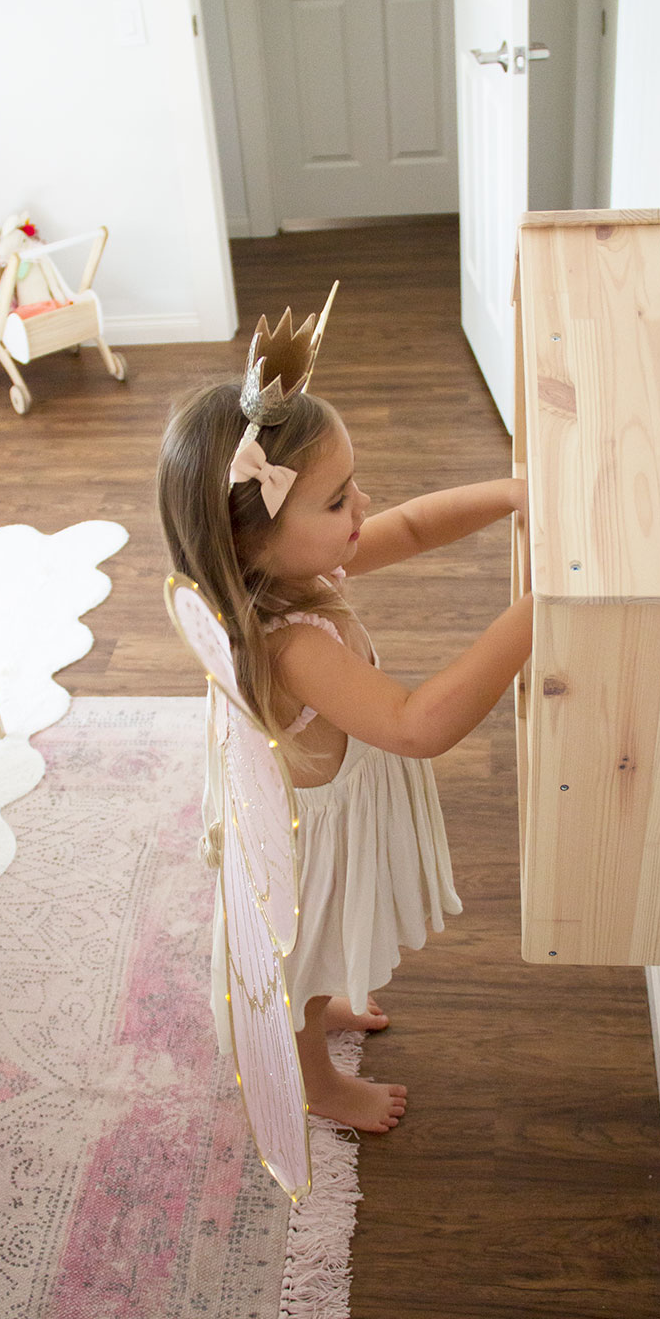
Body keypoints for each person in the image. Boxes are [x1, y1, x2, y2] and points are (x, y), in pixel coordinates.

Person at [157, 296, 532, 1135]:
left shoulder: (295, 569)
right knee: (299, 967)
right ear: (252, 539)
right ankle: (314, 1084)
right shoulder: (289, 646)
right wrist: (540, 610)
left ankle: (319, 1006)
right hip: (307, 849)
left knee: (319, 964)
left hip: (328, 815)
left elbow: (419, 524)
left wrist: (513, 493)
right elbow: (416, 724)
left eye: (353, 484)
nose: (363, 506)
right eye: (336, 501)